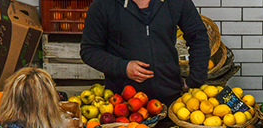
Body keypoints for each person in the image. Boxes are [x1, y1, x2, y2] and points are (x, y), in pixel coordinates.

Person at [80, 0, 211, 106]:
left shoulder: (175, 2)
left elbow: (198, 37)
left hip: (170, 100)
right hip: (123, 105)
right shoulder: (103, 5)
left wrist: (194, 80)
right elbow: (89, 50)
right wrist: (123, 67)